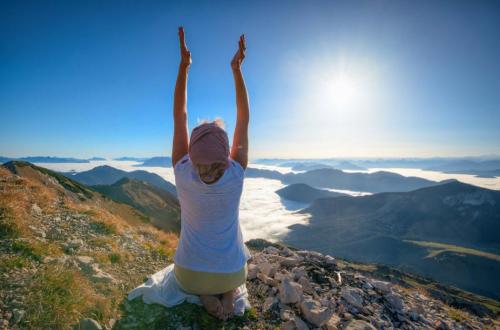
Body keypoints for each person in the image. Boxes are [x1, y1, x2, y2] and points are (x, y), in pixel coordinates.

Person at [170, 26, 251, 321]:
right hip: (232, 273)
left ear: (192, 153)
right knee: (238, 258)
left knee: (189, 274)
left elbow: (180, 116)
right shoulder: (236, 174)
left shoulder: (183, 171)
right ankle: (229, 293)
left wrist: (184, 66)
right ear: (225, 155)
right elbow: (243, 118)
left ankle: (204, 294)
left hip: (189, 276)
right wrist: (236, 69)